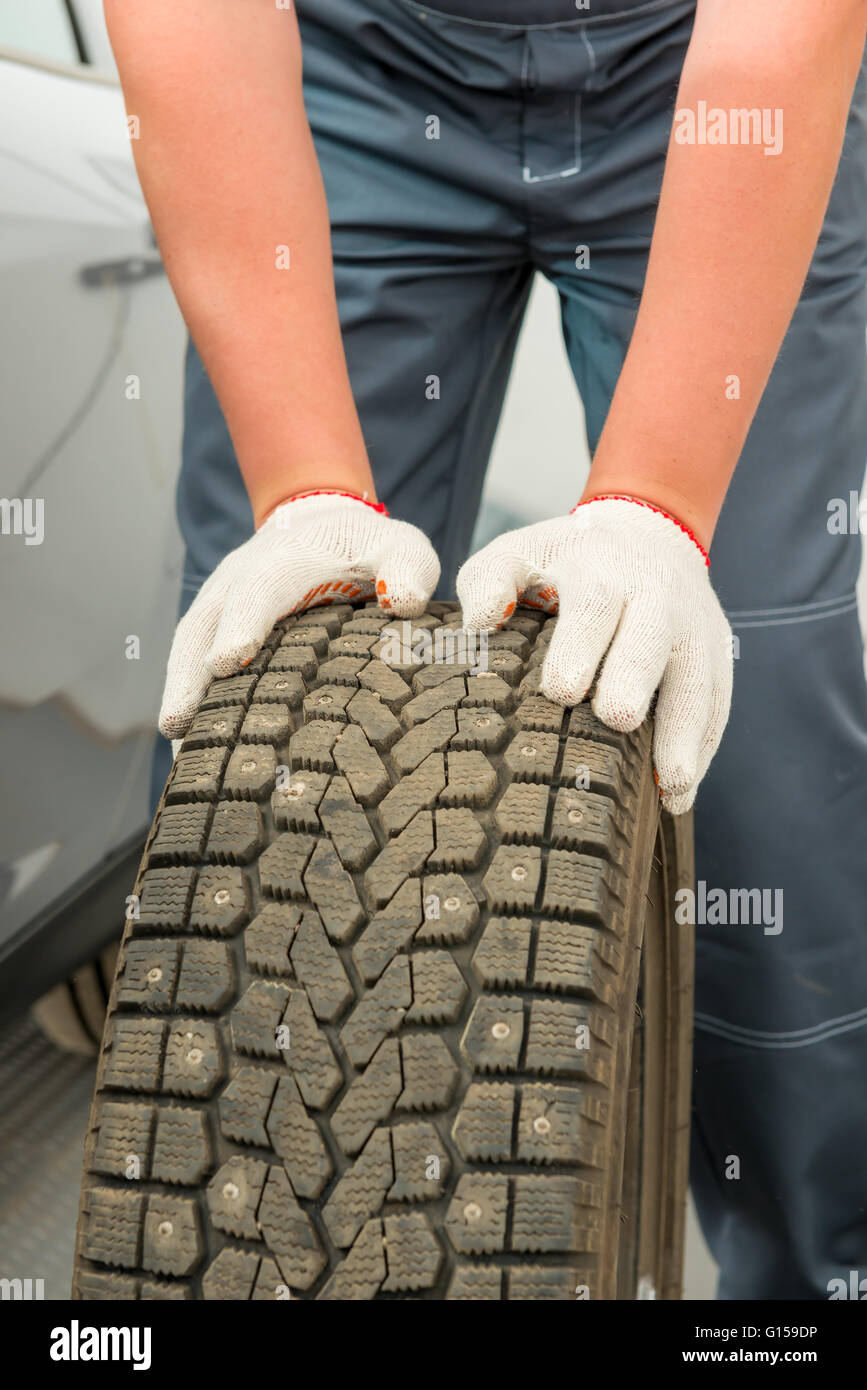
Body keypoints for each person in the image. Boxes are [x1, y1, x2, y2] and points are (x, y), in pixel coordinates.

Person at [106, 0, 867, 1299]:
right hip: (348, 66)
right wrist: (301, 488)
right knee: (264, 728)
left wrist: (657, 502)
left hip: (700, 65)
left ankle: (807, 1292)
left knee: (763, 761)